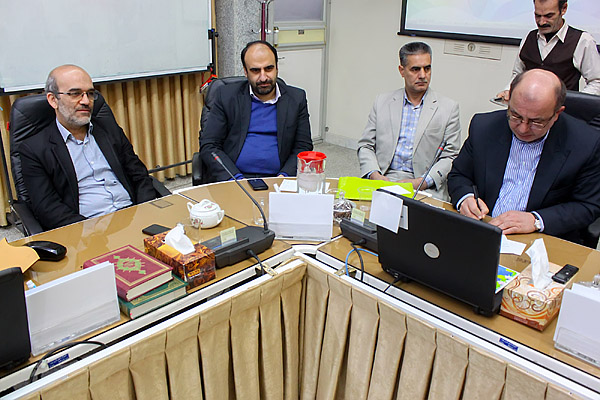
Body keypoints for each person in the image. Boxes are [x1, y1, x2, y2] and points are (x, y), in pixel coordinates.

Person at [449, 69, 600, 244]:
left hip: (542, 240)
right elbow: (458, 175)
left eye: (536, 122)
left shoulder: (586, 143)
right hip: (483, 228)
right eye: (515, 116)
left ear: (557, 114)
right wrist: (465, 198)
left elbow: (588, 205)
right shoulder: (484, 127)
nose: (523, 128)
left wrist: (536, 220)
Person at [18, 65, 156, 230]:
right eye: (75, 93)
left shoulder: (109, 130)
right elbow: (47, 208)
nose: (86, 101)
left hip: (132, 216)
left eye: (90, 94)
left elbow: (140, 176)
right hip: (87, 228)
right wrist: (89, 231)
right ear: (53, 100)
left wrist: (145, 214)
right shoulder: (34, 149)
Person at [357, 42, 461, 200]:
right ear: (402, 71)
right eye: (415, 69)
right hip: (384, 177)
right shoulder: (382, 102)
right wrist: (374, 175)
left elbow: (450, 156)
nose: (423, 75)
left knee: (417, 215)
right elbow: (366, 145)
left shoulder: (448, 108)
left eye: (427, 68)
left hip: (424, 184)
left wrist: (422, 182)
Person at [200, 40, 313, 182]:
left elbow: (303, 146)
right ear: (245, 71)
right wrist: (235, 179)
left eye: (269, 68)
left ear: (277, 68)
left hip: (279, 178)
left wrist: (284, 176)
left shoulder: (296, 98)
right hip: (235, 179)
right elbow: (209, 145)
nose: (263, 77)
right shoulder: (226, 96)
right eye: (255, 70)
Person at [496, 0, 600, 101]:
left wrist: (576, 103)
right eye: (537, 16)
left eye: (549, 16)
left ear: (563, 9)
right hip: (527, 108)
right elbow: (518, 74)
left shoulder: (582, 40)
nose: (541, 22)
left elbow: (596, 81)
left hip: (563, 110)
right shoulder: (529, 37)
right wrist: (508, 90)